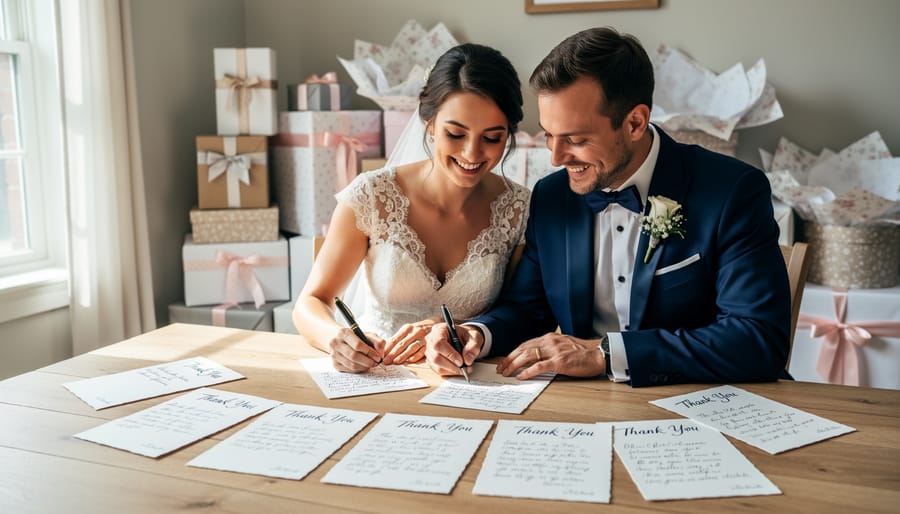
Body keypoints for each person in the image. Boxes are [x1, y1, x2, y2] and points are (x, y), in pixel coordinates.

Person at [424, 27, 791, 387]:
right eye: (549, 135)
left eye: (575, 139)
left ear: (635, 123)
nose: (555, 158)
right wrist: (477, 334)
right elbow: (527, 310)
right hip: (586, 405)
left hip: (702, 400)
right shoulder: (552, 196)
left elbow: (758, 338)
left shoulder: (731, 191)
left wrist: (605, 354)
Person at [293, 43, 530, 373]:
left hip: (469, 379)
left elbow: (519, 313)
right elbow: (311, 302)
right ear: (429, 123)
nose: (472, 153)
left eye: (492, 138)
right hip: (378, 375)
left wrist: (453, 330)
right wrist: (337, 339)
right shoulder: (371, 196)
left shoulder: (519, 209)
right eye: (456, 134)